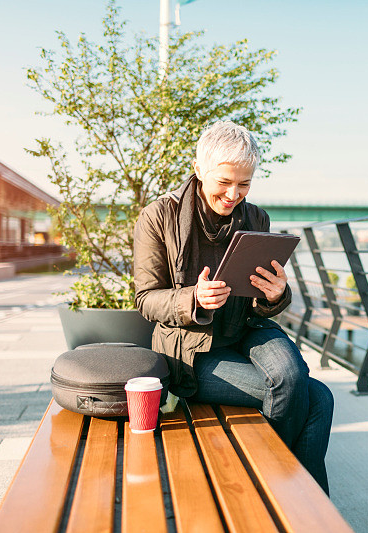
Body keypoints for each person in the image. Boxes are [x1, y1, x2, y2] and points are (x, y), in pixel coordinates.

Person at [133, 121, 334, 493]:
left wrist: (274, 295)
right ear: (198, 169)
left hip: (246, 330)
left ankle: (290, 496)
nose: (233, 194)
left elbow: (263, 301)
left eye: (244, 184)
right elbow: (145, 298)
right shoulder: (158, 217)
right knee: (315, 396)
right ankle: (289, 495)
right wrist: (192, 298)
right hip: (192, 350)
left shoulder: (257, 218)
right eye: (224, 182)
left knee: (303, 384)